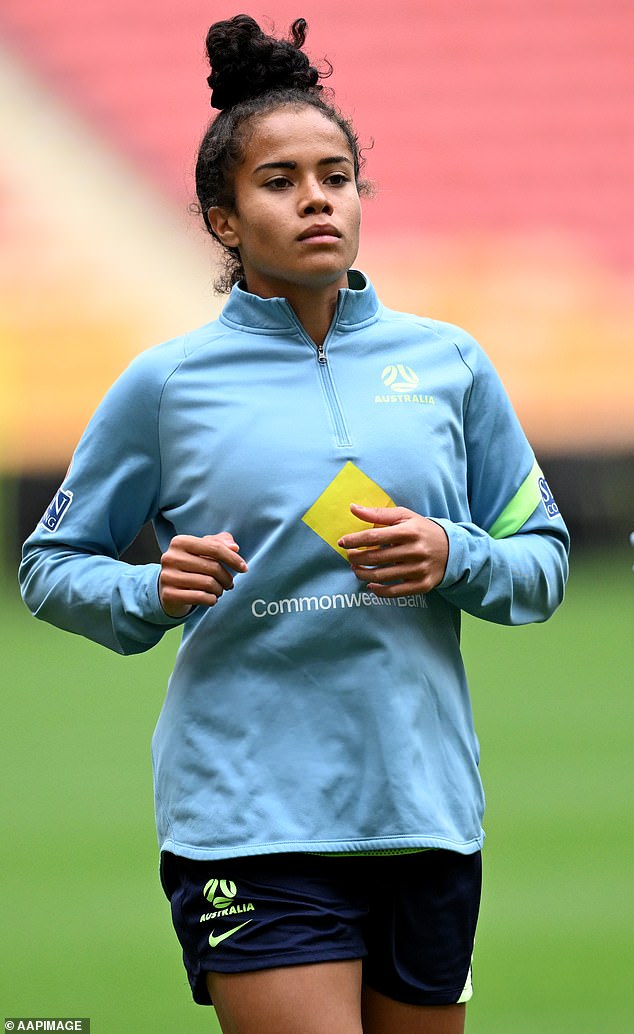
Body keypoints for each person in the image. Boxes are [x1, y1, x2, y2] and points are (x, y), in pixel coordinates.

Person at [19, 14, 569, 1034]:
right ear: (223, 219)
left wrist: (454, 553)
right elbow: (50, 564)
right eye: (280, 181)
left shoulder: (450, 364)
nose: (317, 197)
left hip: (425, 811)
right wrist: (147, 589)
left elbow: (542, 561)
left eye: (337, 174)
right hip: (246, 816)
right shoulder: (166, 383)